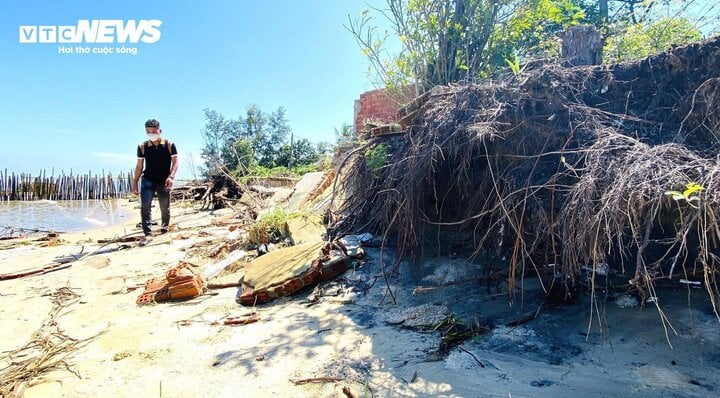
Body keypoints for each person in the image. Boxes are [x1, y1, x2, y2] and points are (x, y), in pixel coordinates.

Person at [132, 118, 179, 245]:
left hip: (164, 181)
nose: (151, 133)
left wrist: (171, 177)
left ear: (160, 130)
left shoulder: (169, 145)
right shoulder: (142, 147)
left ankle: (164, 229)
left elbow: (175, 163)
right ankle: (148, 234)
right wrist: (135, 182)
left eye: (154, 131)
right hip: (147, 180)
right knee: (145, 207)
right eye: (148, 131)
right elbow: (139, 166)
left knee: (165, 208)